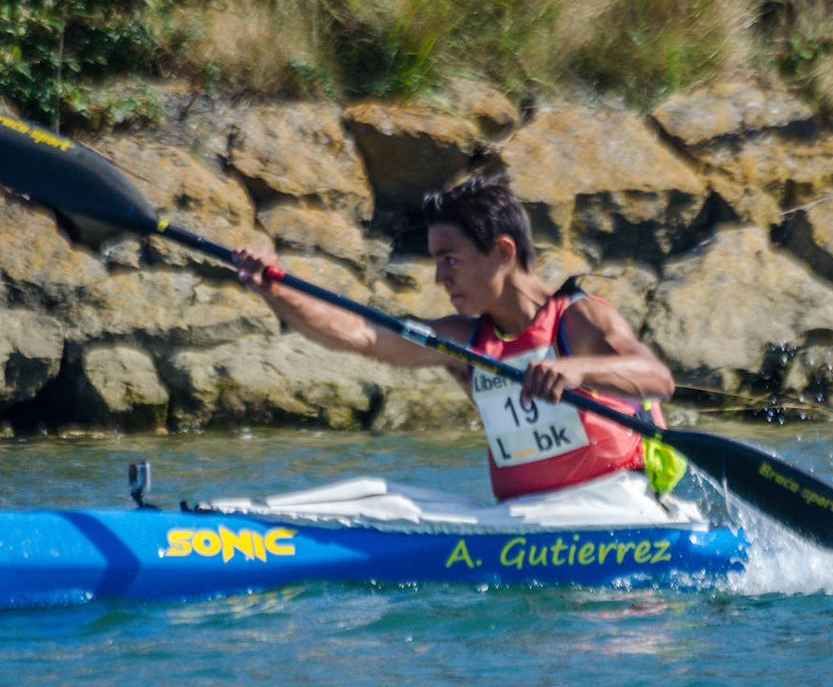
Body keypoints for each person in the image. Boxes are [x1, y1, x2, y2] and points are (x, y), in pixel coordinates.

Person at [234, 175, 681, 502]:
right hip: (523, 520)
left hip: (613, 504)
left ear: (503, 252)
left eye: (450, 259)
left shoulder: (578, 319)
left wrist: (577, 369)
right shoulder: (461, 340)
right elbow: (361, 335)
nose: (439, 277)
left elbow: (657, 378)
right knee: (376, 498)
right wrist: (274, 287)